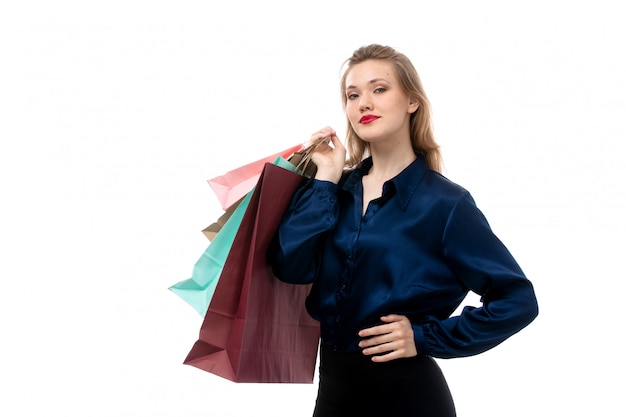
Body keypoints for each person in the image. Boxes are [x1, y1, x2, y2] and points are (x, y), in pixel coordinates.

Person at [269, 44, 538, 417]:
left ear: (411, 101)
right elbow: (290, 267)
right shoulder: (333, 192)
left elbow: (518, 300)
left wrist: (423, 336)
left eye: (379, 89)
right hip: (332, 395)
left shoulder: (445, 204)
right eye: (353, 95)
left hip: (408, 399)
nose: (364, 103)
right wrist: (327, 177)